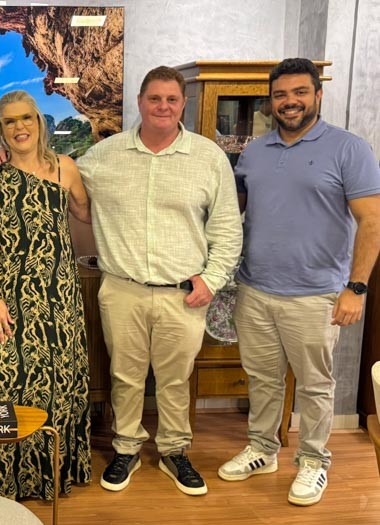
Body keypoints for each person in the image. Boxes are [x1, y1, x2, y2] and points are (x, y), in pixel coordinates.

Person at [218, 58, 380, 506]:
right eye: (281, 95)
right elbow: (233, 214)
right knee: (262, 380)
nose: (290, 102)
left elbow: (372, 222)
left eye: (300, 92)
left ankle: (313, 461)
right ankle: (263, 449)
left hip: (316, 295)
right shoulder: (254, 152)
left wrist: (356, 288)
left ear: (317, 95)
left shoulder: (349, 149)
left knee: (314, 386)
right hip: (254, 289)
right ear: (271, 101)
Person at [77, 66, 243, 496]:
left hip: (183, 294)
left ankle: (174, 450)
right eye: (155, 98)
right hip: (122, 288)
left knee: (175, 379)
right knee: (125, 376)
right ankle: (126, 448)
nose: (163, 107)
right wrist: (4, 156)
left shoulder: (209, 158)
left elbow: (227, 229)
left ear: (183, 104)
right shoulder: (103, 156)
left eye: (171, 99)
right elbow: (55, 173)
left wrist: (212, 280)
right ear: (140, 101)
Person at [0, 90, 92, 499]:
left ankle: (51, 475)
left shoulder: (66, 168)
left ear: (39, 122)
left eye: (26, 118)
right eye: (10, 121)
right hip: (4, 300)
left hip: (58, 298)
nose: (19, 127)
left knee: (58, 385)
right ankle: (4, 478)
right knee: (4, 382)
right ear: (1, 129)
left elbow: (87, 213)